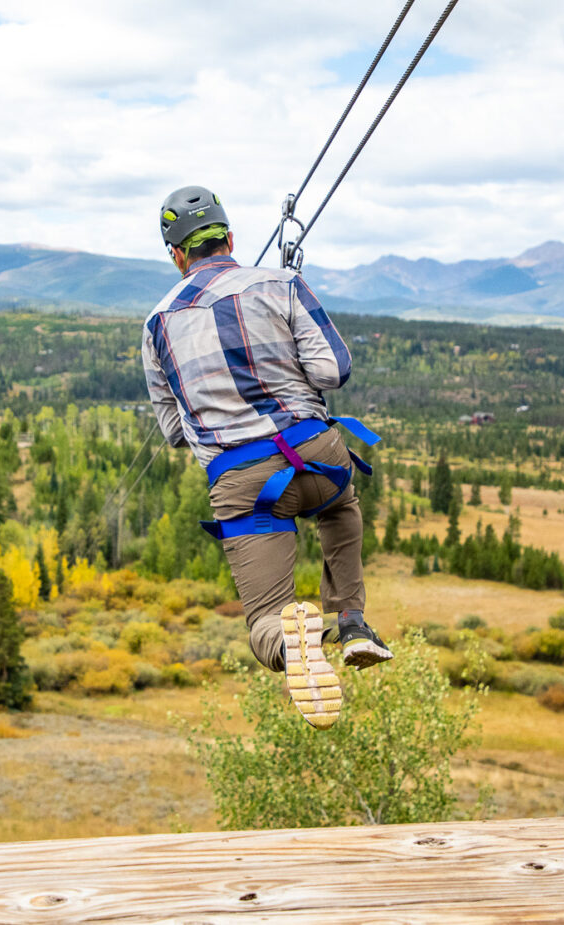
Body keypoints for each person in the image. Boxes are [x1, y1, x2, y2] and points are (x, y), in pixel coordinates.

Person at [141, 185, 392, 729]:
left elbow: (173, 432)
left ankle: (291, 643)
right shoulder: (282, 285)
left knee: (263, 617)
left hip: (244, 484)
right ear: (230, 238)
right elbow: (333, 372)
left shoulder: (157, 324)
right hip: (316, 455)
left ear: (177, 256)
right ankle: (351, 622)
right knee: (339, 506)